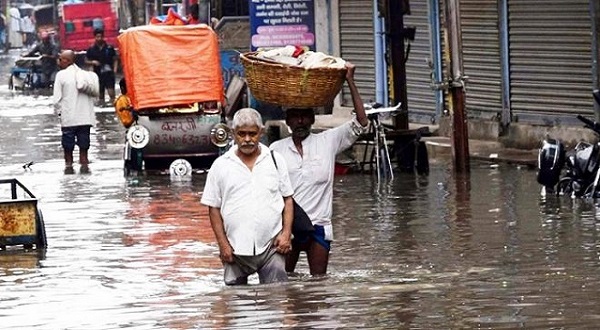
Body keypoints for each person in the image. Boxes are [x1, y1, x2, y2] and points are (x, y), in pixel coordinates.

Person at [269, 62, 369, 276]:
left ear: (313, 119)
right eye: (295, 116)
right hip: (289, 228)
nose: (300, 121)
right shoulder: (276, 150)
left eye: (305, 116)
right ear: (288, 121)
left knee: (319, 285)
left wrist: (350, 81)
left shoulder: (328, 141)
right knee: (283, 283)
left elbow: (361, 123)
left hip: (320, 226)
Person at [201, 108, 295, 285]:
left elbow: (287, 199)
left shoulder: (275, 160)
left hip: (271, 247)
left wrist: (286, 234)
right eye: (241, 134)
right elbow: (213, 208)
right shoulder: (221, 165)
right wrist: (223, 245)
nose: (247, 139)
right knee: (236, 303)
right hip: (235, 249)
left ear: (261, 132)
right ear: (233, 134)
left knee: (277, 299)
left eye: (252, 134)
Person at [53, 50, 96, 173]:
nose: (59, 61)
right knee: (84, 152)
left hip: (69, 120)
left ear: (68, 61)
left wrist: (59, 115)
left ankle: (69, 173)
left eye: (61, 59)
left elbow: (57, 99)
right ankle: (85, 171)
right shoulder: (86, 75)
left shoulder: (61, 75)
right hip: (85, 119)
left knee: (68, 153)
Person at [85, 28, 118, 107]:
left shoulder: (109, 48)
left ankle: (113, 108)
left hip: (109, 73)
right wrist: (93, 62)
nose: (99, 38)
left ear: (103, 37)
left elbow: (115, 59)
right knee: (100, 95)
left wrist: (114, 70)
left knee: (111, 93)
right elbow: (86, 60)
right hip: (97, 74)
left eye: (100, 37)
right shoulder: (91, 49)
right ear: (95, 37)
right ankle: (102, 110)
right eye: (97, 37)